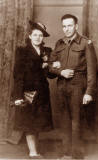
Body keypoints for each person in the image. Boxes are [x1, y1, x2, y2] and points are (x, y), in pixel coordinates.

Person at [49, 14, 97, 159]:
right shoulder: (59, 44)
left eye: (70, 25)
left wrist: (89, 92)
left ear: (76, 26)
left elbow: (92, 70)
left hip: (78, 85)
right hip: (62, 86)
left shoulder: (85, 43)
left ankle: (76, 155)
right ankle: (66, 153)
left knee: (76, 121)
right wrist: (60, 71)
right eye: (64, 26)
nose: (67, 29)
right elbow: (50, 66)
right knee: (64, 120)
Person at [13, 21, 55, 158]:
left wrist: (52, 66)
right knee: (29, 123)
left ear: (43, 38)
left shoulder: (47, 51)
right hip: (27, 92)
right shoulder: (22, 51)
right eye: (35, 35)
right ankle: (33, 153)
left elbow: (51, 75)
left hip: (42, 92)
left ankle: (35, 150)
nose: (38, 37)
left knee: (37, 123)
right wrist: (18, 96)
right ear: (30, 36)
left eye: (40, 35)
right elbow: (18, 75)